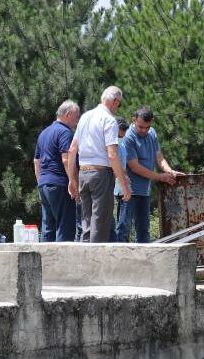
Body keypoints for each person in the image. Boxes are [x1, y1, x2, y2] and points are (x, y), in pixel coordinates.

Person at [67, 86, 132, 243]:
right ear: (115, 101)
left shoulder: (84, 117)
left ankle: (84, 262)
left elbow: (72, 150)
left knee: (86, 223)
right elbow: (112, 154)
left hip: (83, 173)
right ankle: (95, 265)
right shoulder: (109, 120)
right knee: (100, 223)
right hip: (101, 174)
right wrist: (123, 184)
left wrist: (72, 179)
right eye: (119, 103)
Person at [116, 107, 184, 243]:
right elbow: (135, 167)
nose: (144, 130)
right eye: (140, 126)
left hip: (144, 191)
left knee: (143, 230)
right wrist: (160, 177)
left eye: (147, 127)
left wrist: (169, 171)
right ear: (133, 120)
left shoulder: (152, 133)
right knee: (124, 228)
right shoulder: (128, 137)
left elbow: (159, 158)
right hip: (127, 190)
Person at [33, 100, 80, 242]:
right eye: (76, 117)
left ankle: (45, 262)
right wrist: (73, 183)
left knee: (48, 227)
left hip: (44, 185)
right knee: (65, 227)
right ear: (67, 114)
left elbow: (36, 161)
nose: (77, 121)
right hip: (60, 184)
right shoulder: (65, 132)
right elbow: (66, 159)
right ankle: (62, 263)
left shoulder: (44, 133)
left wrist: (40, 181)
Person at [112, 117, 129, 241]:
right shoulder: (111, 144)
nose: (120, 137)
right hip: (117, 186)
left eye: (122, 136)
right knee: (122, 222)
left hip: (121, 185)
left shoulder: (121, 144)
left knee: (124, 222)